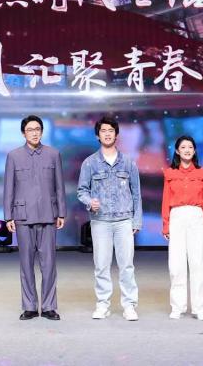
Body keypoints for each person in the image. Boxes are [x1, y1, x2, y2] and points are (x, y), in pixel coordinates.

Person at [77, 117, 143, 321]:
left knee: (126, 265)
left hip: (124, 221)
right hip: (100, 221)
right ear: (98, 135)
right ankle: (102, 304)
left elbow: (136, 193)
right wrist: (90, 202)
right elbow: (81, 190)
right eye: (103, 130)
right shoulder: (90, 163)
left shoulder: (128, 162)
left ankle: (129, 305)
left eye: (111, 130)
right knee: (101, 265)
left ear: (116, 134)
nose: (107, 134)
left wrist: (136, 220)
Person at [3, 115, 66, 321]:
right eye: (30, 129)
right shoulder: (13, 156)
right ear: (24, 133)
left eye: (37, 129)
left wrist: (61, 212)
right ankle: (29, 306)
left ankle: (48, 306)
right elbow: (9, 188)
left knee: (49, 264)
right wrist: (8, 217)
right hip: (23, 216)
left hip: (48, 215)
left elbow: (59, 186)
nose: (34, 133)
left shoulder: (53, 154)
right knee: (26, 264)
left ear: (42, 131)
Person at [162, 136, 203, 321]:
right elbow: (166, 200)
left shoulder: (202, 173)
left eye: (190, 147)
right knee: (176, 264)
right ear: (177, 151)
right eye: (183, 147)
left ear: (194, 150)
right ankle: (177, 306)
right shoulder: (170, 173)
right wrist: (166, 224)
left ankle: (200, 308)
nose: (187, 150)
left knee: (198, 262)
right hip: (176, 216)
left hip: (196, 216)